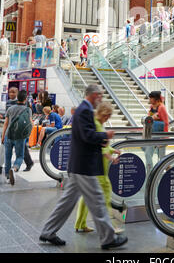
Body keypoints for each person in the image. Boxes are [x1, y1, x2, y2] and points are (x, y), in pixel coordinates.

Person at [39, 84, 127, 249]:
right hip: (84, 166)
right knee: (98, 201)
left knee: (66, 203)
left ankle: (48, 232)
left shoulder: (83, 109)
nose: (101, 99)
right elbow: (87, 136)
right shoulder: (85, 110)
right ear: (93, 95)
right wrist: (105, 135)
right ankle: (108, 238)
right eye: (100, 95)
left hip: (78, 166)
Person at [74, 102, 122, 233]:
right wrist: (111, 157)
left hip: (93, 167)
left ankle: (80, 224)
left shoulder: (96, 123)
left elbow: (102, 145)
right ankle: (109, 227)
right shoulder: (97, 125)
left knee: (87, 197)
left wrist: (112, 150)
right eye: (107, 116)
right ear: (102, 113)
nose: (108, 118)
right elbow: (99, 147)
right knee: (105, 197)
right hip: (99, 168)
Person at [1, 90, 33, 185]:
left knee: (8, 157)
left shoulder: (10, 108)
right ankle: (14, 169)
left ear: (17, 98)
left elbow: (5, 124)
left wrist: (3, 137)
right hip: (20, 137)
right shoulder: (28, 110)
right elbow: (30, 124)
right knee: (20, 156)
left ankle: (7, 176)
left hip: (8, 135)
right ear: (25, 99)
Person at [144, 91, 169, 174]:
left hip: (160, 135)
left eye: (151, 98)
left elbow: (166, 123)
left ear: (157, 99)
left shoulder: (162, 107)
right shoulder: (152, 107)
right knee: (148, 153)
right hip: (152, 134)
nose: (150, 99)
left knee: (162, 158)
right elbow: (149, 119)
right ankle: (150, 172)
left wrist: (164, 138)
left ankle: (168, 171)